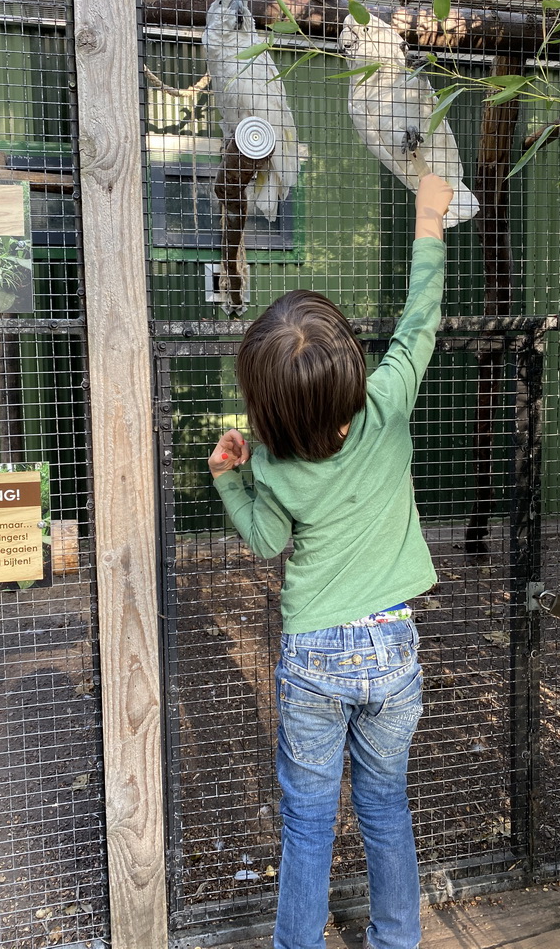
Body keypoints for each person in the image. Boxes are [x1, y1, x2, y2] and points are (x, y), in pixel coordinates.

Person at [208, 172, 454, 949]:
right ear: (350, 362)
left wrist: (228, 478)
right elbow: (420, 322)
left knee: (309, 823)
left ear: (268, 405)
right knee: (385, 807)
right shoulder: (385, 406)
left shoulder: (272, 466)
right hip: (393, 649)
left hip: (316, 653)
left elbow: (267, 542)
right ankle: (396, 940)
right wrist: (428, 217)